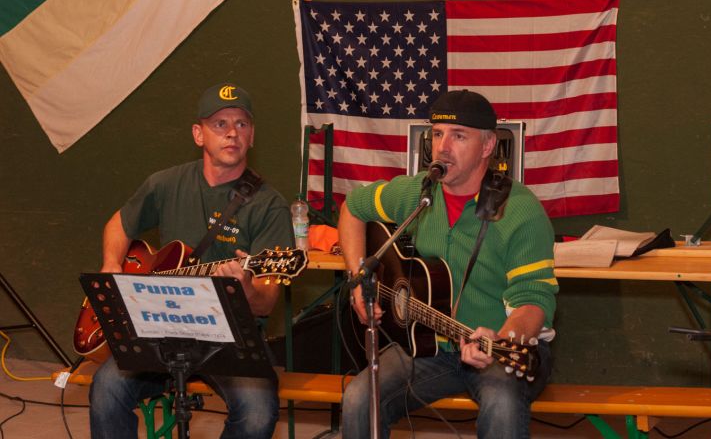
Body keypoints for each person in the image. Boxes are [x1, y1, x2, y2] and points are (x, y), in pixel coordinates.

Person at [340, 90, 558, 439]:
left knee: (502, 402)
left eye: (459, 136)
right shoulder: (417, 194)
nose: (442, 147)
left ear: (487, 146)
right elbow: (353, 208)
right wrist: (356, 281)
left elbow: (533, 301)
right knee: (358, 398)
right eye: (437, 134)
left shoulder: (521, 211)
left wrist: (498, 341)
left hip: (503, 350)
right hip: (429, 346)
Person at [88, 83, 294, 439]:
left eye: (242, 124)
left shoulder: (269, 206)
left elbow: (266, 302)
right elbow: (118, 224)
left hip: (232, 338)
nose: (232, 133)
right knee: (107, 390)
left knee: (258, 411)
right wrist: (111, 265)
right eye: (220, 124)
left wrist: (245, 289)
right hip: (162, 330)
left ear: (252, 136)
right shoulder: (165, 184)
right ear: (199, 134)